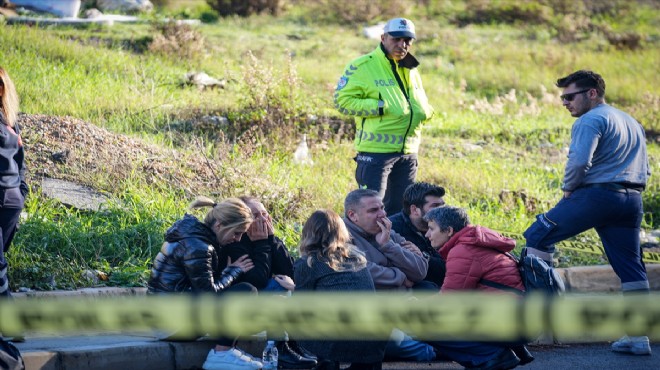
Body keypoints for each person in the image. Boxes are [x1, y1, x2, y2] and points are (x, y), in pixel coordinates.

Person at [521, 70, 652, 356]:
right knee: (631, 268)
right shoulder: (631, 121)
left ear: (592, 93)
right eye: (562, 98)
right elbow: (647, 167)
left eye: (570, 97)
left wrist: (569, 188)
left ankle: (540, 320)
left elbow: (580, 160)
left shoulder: (590, 119)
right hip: (632, 198)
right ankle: (638, 337)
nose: (565, 103)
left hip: (597, 195)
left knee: (537, 235)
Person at [147, 196, 263, 370]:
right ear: (219, 225)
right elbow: (209, 296)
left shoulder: (193, 238)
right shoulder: (198, 247)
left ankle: (227, 352)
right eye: (237, 232)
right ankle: (221, 354)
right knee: (246, 290)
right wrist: (233, 271)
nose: (238, 239)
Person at [334, 17, 434, 216]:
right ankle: (355, 247)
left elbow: (416, 101)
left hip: (408, 153)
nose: (401, 44)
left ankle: (391, 247)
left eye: (407, 40)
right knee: (370, 211)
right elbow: (341, 101)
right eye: (396, 39)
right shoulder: (362, 66)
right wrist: (379, 107)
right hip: (376, 154)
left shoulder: (411, 68)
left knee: (401, 213)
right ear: (383, 38)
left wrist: (426, 111)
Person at [424, 206, 534, 367]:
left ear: (448, 230)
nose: (427, 235)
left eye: (431, 229)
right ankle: (502, 352)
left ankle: (492, 356)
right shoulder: (478, 242)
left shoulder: (463, 250)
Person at [216, 196, 317, 369]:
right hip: (236, 309)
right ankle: (281, 349)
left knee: (285, 285)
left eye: (265, 214)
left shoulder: (267, 239)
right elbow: (257, 280)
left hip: (260, 301)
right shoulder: (234, 242)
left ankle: (289, 345)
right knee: (279, 289)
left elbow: (289, 271)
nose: (263, 219)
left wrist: (272, 240)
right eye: (256, 215)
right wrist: (262, 244)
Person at [342, 188, 436, 362]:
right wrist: (401, 276)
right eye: (373, 210)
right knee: (423, 350)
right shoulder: (339, 236)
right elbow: (362, 270)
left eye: (382, 208)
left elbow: (420, 271)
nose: (382, 214)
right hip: (376, 316)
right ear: (353, 215)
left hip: (408, 308)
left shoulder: (387, 231)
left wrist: (388, 246)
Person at [294, 209, 385, 370]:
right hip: (373, 339)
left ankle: (322, 362)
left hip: (334, 341)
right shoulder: (357, 257)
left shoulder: (309, 263)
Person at [0, 67, 28, 299]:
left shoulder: (9, 121)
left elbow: (21, 161)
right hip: (9, 197)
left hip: (9, 198)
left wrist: (22, 191)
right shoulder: (8, 121)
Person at [390, 182, 447, 288]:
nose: (442, 211)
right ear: (414, 210)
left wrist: (423, 256)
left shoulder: (448, 226)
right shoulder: (393, 231)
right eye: (435, 206)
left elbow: (454, 266)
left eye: (442, 205)